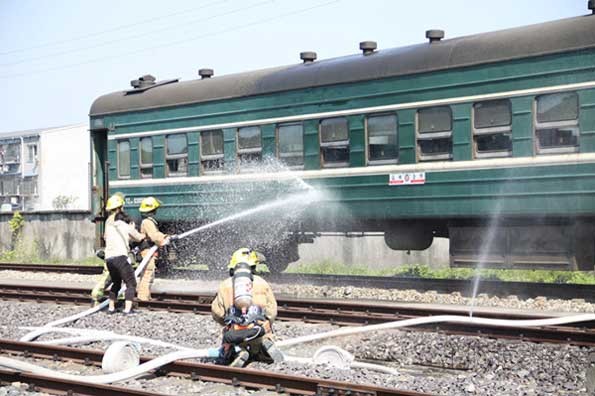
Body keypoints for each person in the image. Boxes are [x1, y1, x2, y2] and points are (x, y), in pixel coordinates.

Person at [211, 248, 284, 367]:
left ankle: (237, 352)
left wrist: (226, 322)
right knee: (262, 334)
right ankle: (263, 347)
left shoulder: (225, 285)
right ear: (253, 267)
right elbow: (272, 311)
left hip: (235, 333)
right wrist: (267, 323)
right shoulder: (262, 283)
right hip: (258, 331)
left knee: (228, 338)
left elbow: (217, 312)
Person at [104, 194, 145, 314]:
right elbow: (137, 237)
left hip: (109, 258)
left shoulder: (108, 223)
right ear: (121, 207)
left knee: (116, 282)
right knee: (130, 283)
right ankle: (127, 309)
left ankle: (111, 308)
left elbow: (106, 237)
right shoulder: (124, 224)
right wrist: (142, 235)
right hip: (120, 257)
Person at [137, 196, 171, 301]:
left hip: (148, 251)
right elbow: (154, 235)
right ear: (152, 209)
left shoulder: (147, 221)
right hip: (147, 251)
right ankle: (143, 297)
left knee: (147, 273)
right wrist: (164, 238)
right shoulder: (148, 222)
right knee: (148, 273)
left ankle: (145, 295)